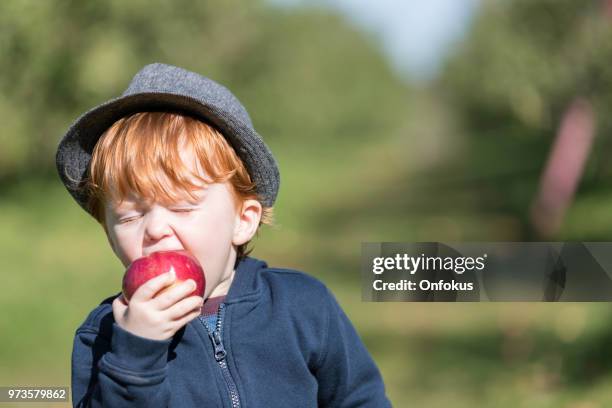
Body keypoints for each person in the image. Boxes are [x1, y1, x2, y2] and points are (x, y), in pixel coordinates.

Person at [56, 63, 391, 407]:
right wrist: (136, 354)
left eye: (183, 207)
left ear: (242, 221)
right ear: (109, 235)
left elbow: (360, 398)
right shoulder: (105, 337)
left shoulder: (303, 307)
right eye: (129, 215)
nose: (155, 229)